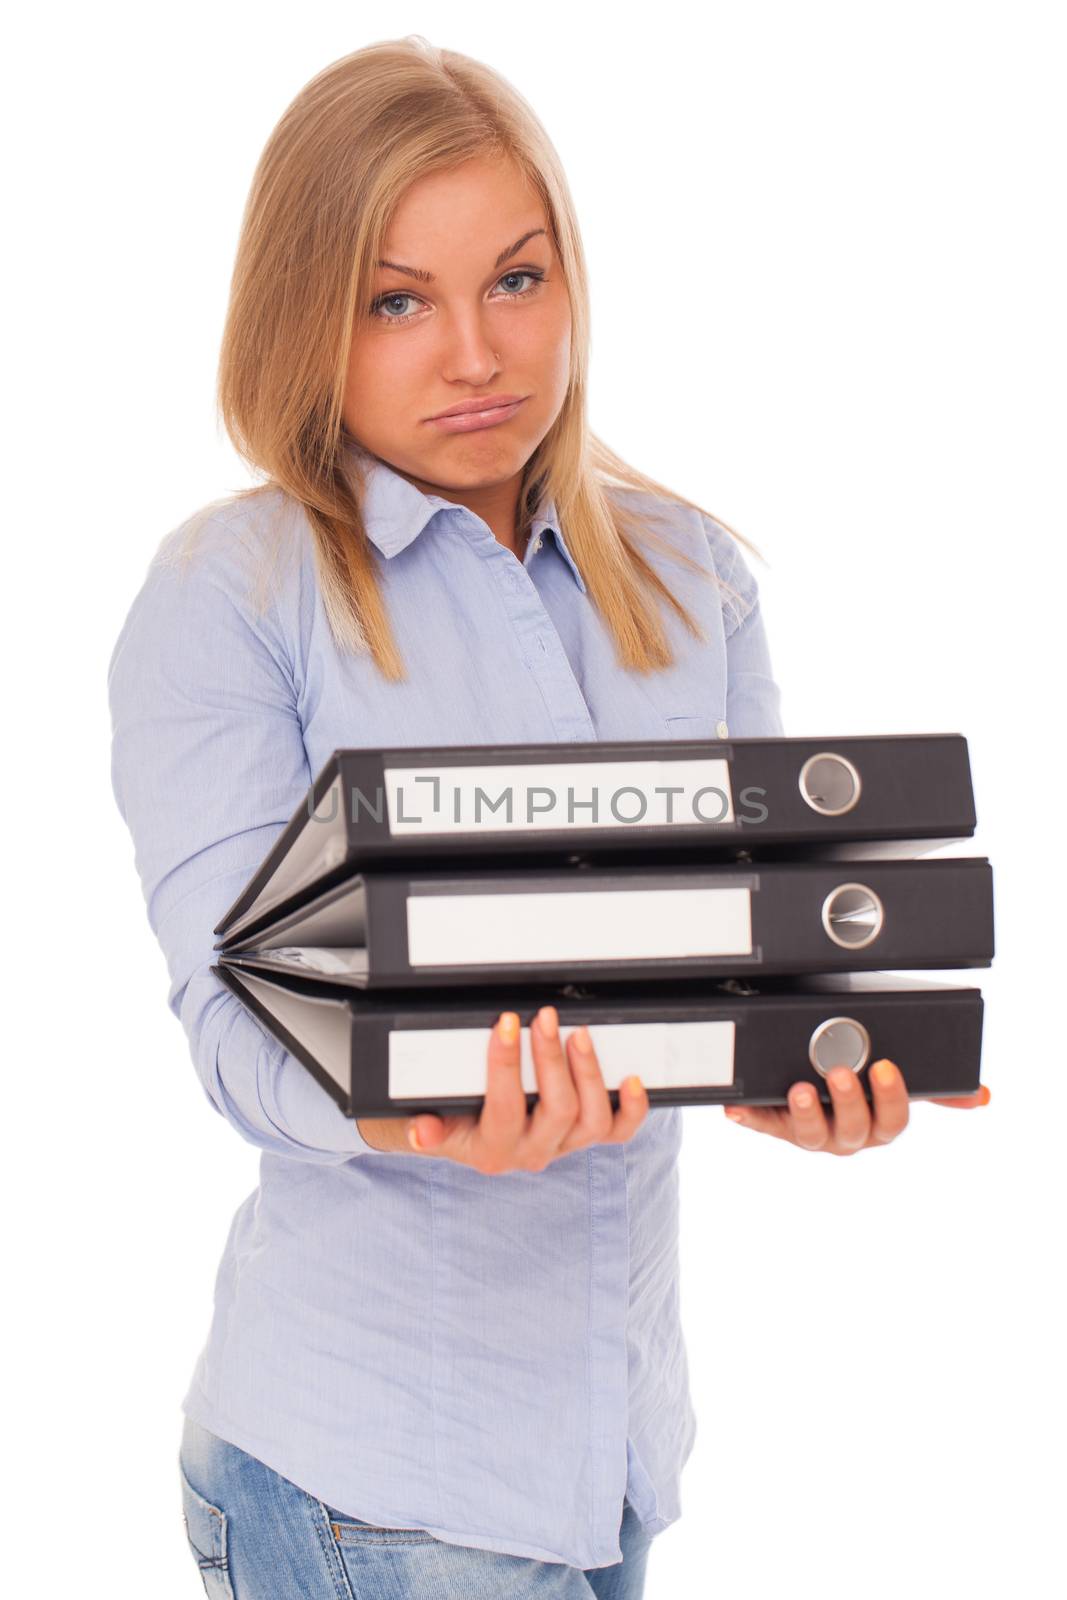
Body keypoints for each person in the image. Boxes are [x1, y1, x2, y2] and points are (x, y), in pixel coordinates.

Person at [107, 35, 990, 1600]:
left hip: (621, 1461)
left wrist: (795, 1070)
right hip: (370, 1486)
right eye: (398, 300)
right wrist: (410, 1117)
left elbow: (747, 947)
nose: (474, 354)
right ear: (306, 315)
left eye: (516, 281)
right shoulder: (231, 598)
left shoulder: (688, 571)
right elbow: (234, 1036)